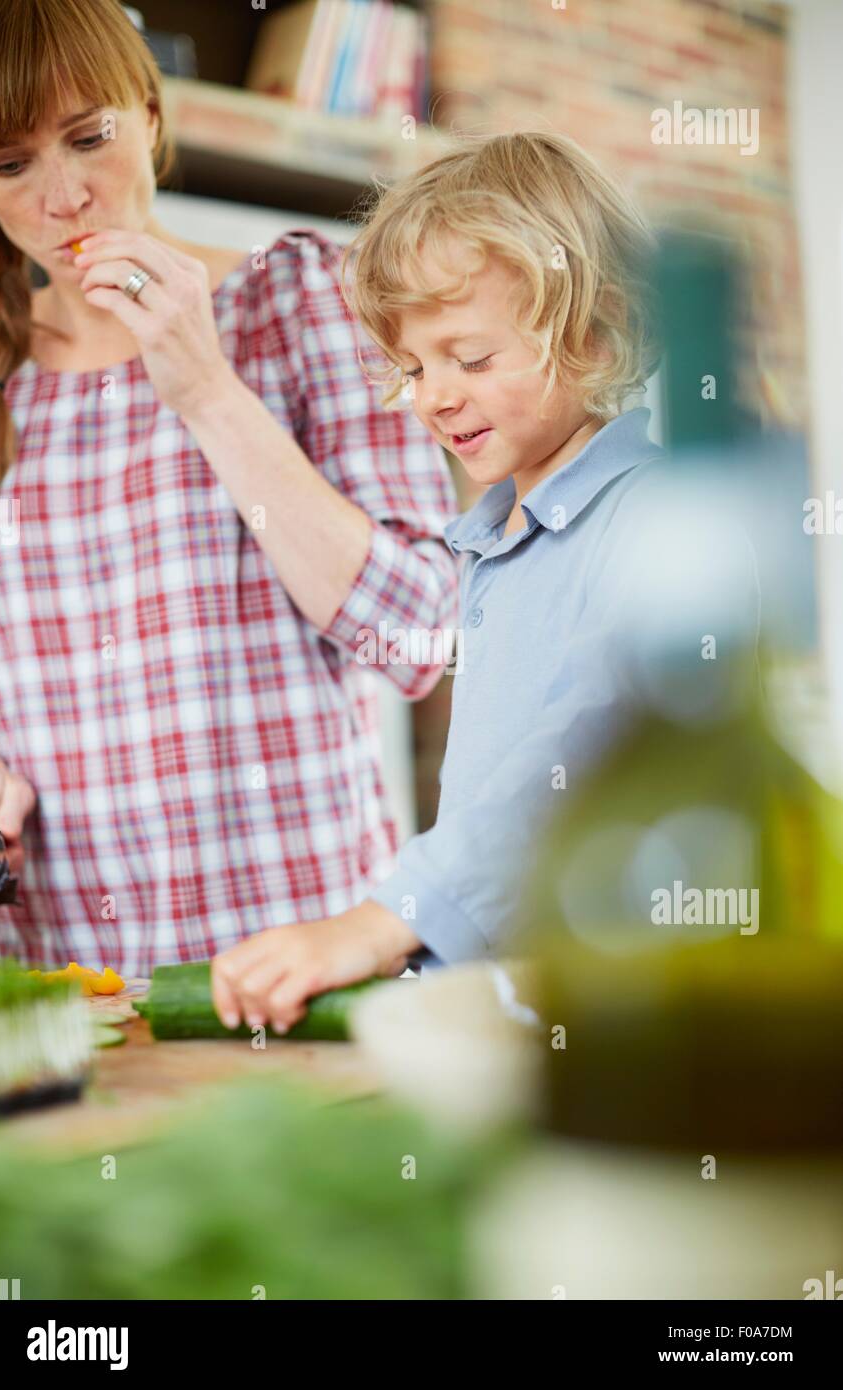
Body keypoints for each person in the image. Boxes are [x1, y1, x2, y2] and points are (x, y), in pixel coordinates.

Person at [0, 0, 459, 975]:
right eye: (10, 163)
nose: (64, 196)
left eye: (87, 136)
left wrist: (202, 385)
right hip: (74, 993)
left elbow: (419, 636)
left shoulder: (308, 300)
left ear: (149, 117)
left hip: (303, 969)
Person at [210, 130, 677, 1033]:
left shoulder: (646, 517)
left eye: (470, 358)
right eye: (415, 368)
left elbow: (584, 755)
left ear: (596, 329)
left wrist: (389, 919)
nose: (433, 396)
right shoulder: (493, 541)